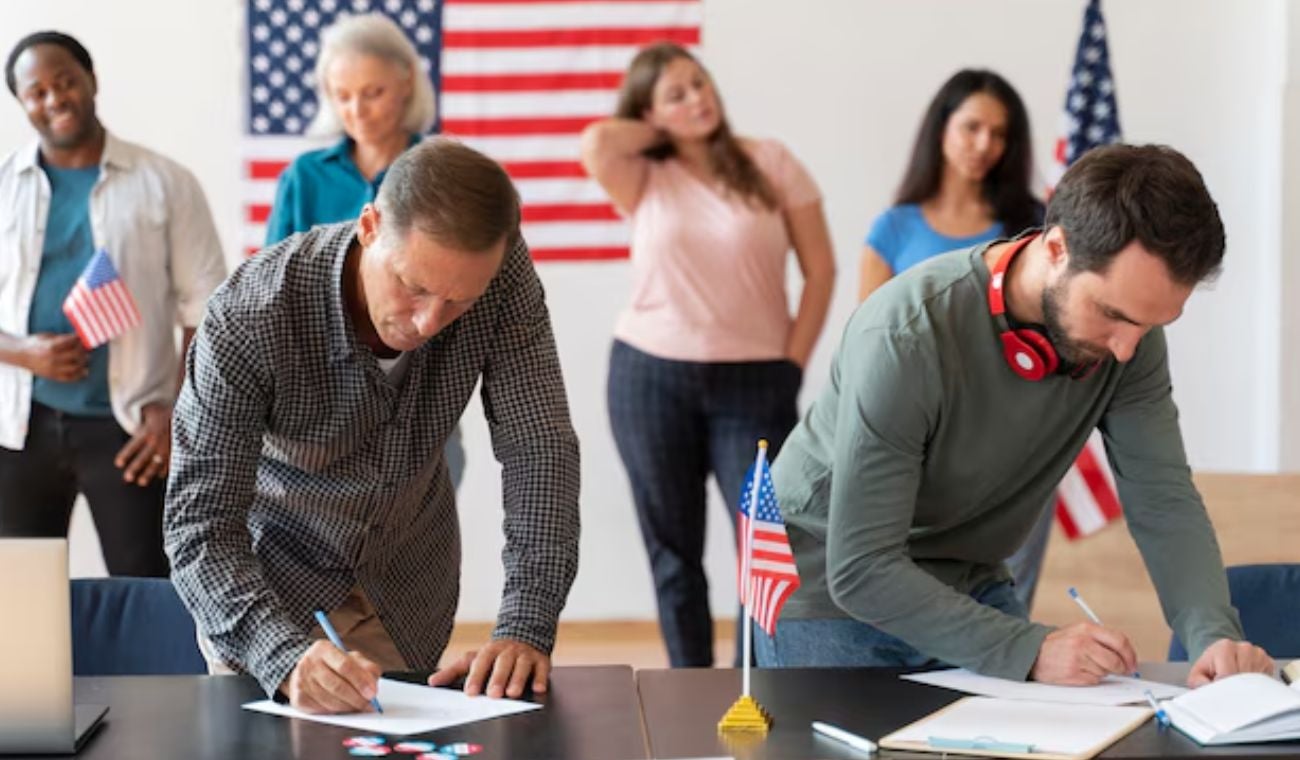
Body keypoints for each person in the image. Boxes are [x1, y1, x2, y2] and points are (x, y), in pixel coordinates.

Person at [761, 144, 1275, 687]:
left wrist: (1213, 635)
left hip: (968, 580)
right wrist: (1027, 647)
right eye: (1112, 315)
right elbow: (860, 568)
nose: (1126, 349)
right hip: (831, 588)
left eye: (1152, 323)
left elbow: (1162, 496)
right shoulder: (905, 334)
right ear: (1056, 248)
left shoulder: (1130, 338)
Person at [165, 138, 581, 713]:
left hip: (407, 587)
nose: (430, 321)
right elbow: (199, 526)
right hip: (268, 592)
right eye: (414, 286)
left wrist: (527, 623)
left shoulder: (503, 276)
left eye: (459, 302)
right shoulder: (250, 315)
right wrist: (281, 654)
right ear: (369, 226)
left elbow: (539, 445)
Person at [581, 43, 835, 667]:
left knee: (768, 548)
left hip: (756, 384)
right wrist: (658, 126)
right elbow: (595, 142)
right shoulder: (642, 172)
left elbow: (821, 270)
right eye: (677, 93)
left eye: (700, 84)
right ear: (649, 112)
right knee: (674, 551)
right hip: (649, 377)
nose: (698, 99)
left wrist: (792, 364)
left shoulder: (770, 162)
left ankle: (759, 683)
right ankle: (688, 688)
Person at [0, 31, 226, 576]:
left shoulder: (167, 183)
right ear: (21, 102)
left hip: (130, 433)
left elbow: (208, 312)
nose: (54, 99)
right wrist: (23, 352)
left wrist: (176, 413)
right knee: (20, 599)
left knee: (147, 588)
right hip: (17, 428)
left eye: (65, 82)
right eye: (37, 91)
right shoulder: (5, 184)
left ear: (91, 81)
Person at [858, 69, 1050, 612]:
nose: (984, 145)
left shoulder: (1034, 227)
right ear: (941, 129)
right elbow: (871, 343)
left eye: (999, 133)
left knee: (1005, 597)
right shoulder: (893, 228)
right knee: (921, 595)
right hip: (920, 441)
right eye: (972, 128)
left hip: (1018, 437)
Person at [263, 12, 466, 486]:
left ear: (407, 83)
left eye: (372, 93)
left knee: (413, 542)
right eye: (343, 96)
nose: (357, 111)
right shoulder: (304, 176)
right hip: (320, 398)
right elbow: (272, 288)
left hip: (418, 395)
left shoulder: (443, 172)